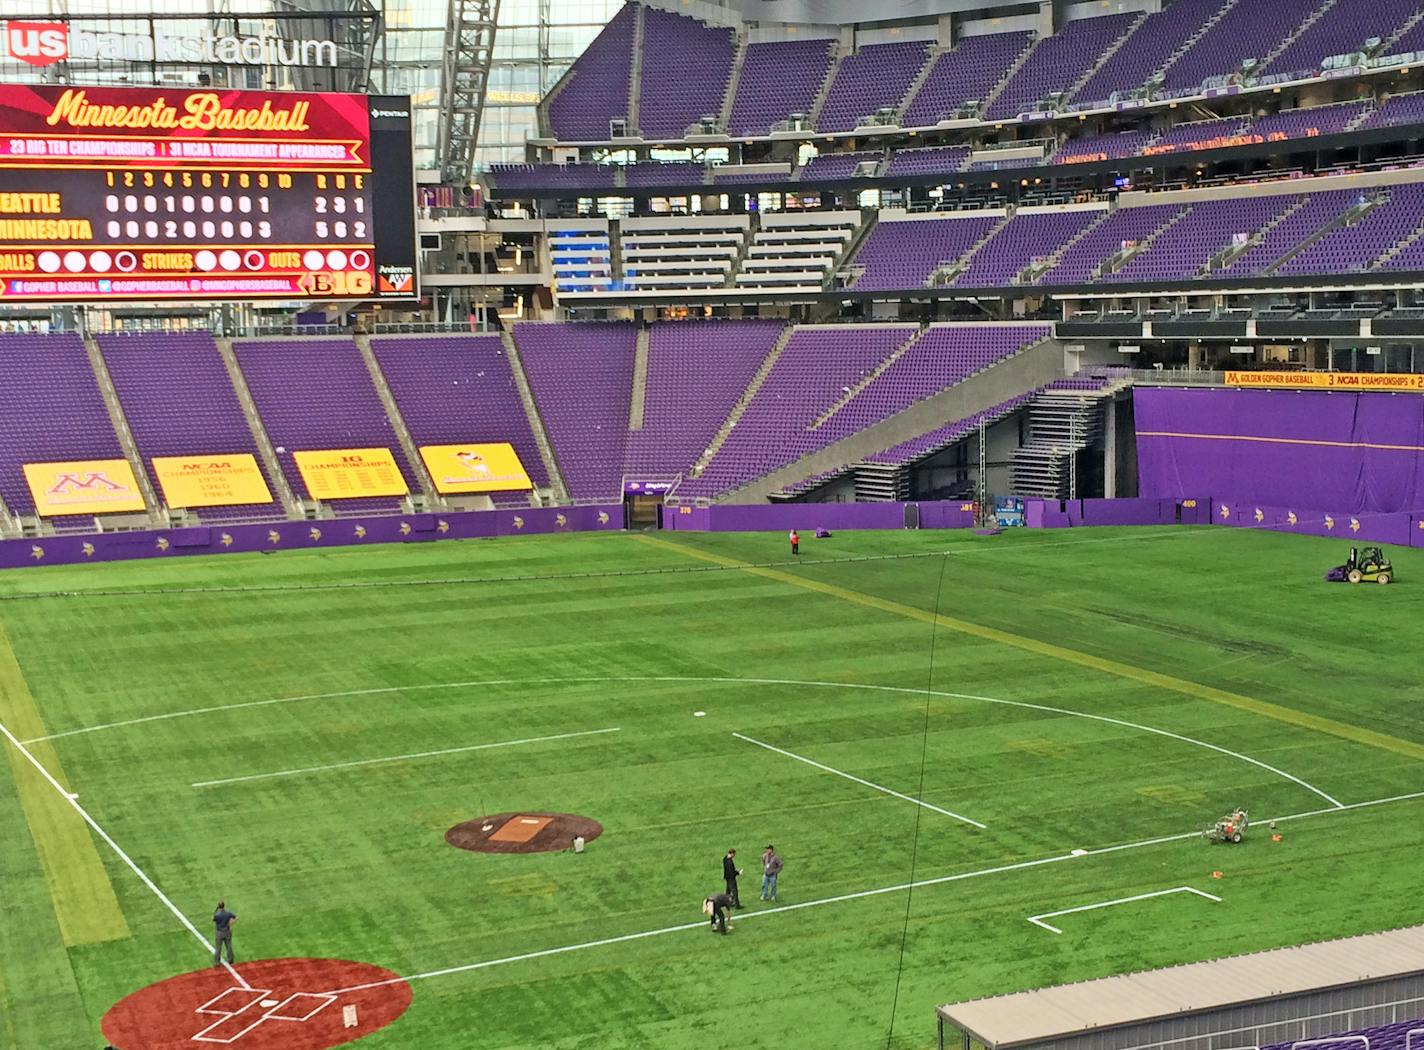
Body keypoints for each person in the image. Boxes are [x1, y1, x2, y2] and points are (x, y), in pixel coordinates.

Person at [213, 901, 237, 967]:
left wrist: (216, 910)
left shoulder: (217, 915)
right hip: (227, 931)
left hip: (219, 933)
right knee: (229, 946)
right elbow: (235, 917)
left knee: (218, 948)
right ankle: (231, 959)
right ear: (224, 906)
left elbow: (213, 919)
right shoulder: (228, 913)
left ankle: (217, 962)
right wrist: (230, 923)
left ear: (219, 906)